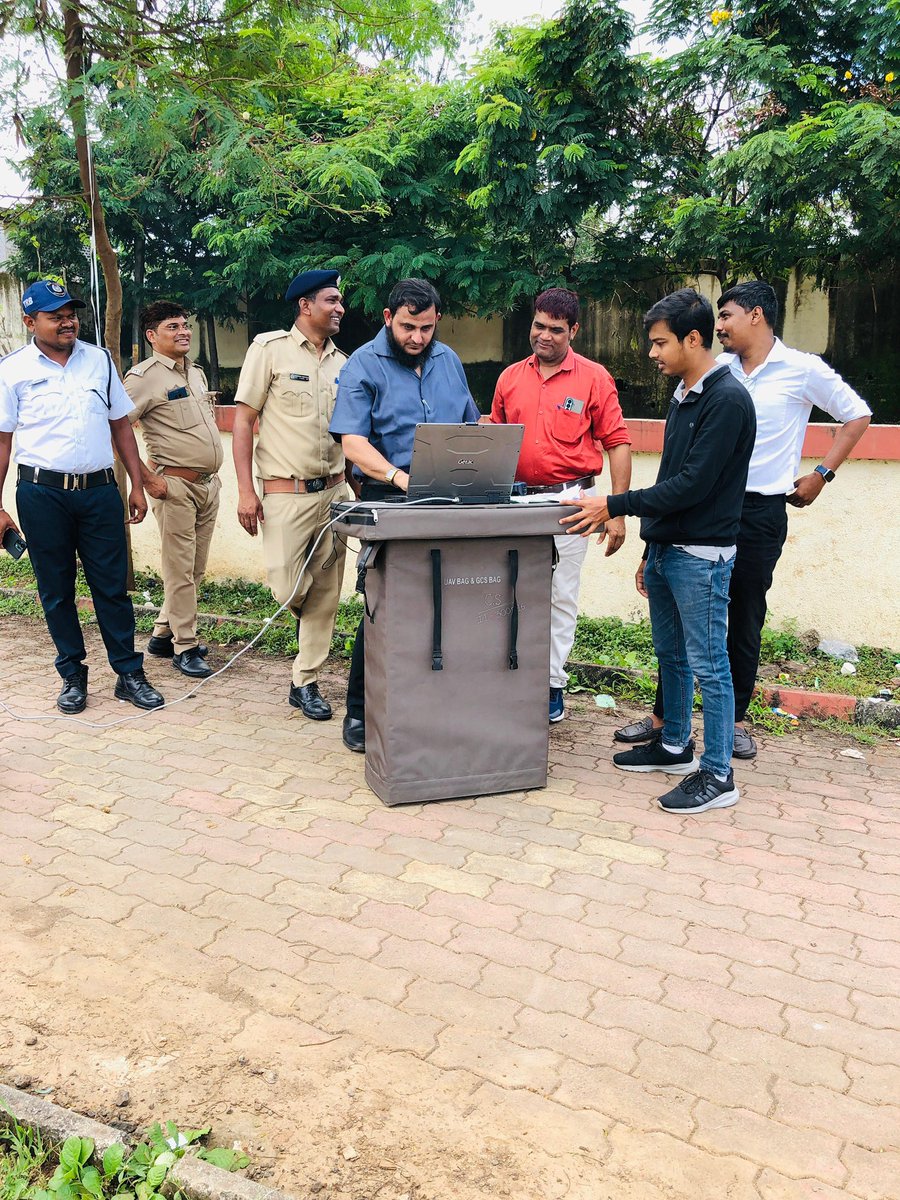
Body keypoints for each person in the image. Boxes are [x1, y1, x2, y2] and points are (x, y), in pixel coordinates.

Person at [613, 281, 872, 759]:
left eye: (728, 315)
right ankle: (665, 721)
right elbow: (680, 464)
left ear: (756, 315)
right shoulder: (712, 374)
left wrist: (822, 473)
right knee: (679, 623)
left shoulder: (801, 369)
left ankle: (731, 725)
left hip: (757, 510)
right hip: (697, 508)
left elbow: (857, 415)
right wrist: (654, 541)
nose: (721, 326)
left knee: (743, 615)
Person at [562, 288, 755, 813]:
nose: (652, 353)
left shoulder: (728, 399)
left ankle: (718, 775)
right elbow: (671, 475)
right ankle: (674, 745)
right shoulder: (686, 394)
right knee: (670, 655)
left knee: (710, 665)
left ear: (693, 339)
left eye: (659, 343)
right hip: (671, 550)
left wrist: (614, 504)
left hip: (703, 556)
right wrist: (652, 547)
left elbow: (694, 484)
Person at [329, 277, 480, 753]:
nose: (418, 338)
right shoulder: (362, 365)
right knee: (384, 609)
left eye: (427, 328)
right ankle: (360, 711)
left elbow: (471, 426)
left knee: (448, 606)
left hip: (451, 497)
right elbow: (352, 441)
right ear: (387, 318)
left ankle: (436, 706)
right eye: (409, 327)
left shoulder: (448, 360)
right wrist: (399, 479)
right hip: (390, 496)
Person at [0, 280, 164, 712]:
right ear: (30, 322)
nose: (67, 321)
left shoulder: (99, 360)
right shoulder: (11, 369)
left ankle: (129, 674)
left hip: (99, 491)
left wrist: (138, 483)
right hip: (41, 493)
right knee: (56, 590)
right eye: (56, 316)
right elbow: (2, 442)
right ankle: (72, 674)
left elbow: (121, 425)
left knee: (112, 588)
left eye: (70, 313)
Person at [487, 287, 632, 723]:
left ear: (574, 330)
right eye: (538, 325)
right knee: (505, 592)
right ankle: (506, 678)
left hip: (571, 502)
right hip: (515, 501)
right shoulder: (510, 377)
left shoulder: (594, 377)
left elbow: (618, 443)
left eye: (555, 329)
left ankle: (550, 684)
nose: (543, 336)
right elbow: (493, 438)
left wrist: (617, 510)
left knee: (559, 597)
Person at [232, 269, 349, 720]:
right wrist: (246, 490)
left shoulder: (345, 362)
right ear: (305, 305)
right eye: (331, 300)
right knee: (287, 585)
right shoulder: (269, 350)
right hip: (286, 493)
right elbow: (243, 421)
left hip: (336, 491)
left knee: (326, 590)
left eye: (339, 301)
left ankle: (306, 680)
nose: (339, 308)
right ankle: (307, 630)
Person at [124, 301, 223, 679]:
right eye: (172, 327)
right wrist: (147, 480)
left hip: (207, 486)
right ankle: (186, 647)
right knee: (179, 570)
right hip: (174, 486)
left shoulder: (194, 374)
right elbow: (116, 431)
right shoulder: (143, 377)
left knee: (194, 569)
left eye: (185, 325)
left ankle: (164, 635)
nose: (183, 331)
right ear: (152, 336)